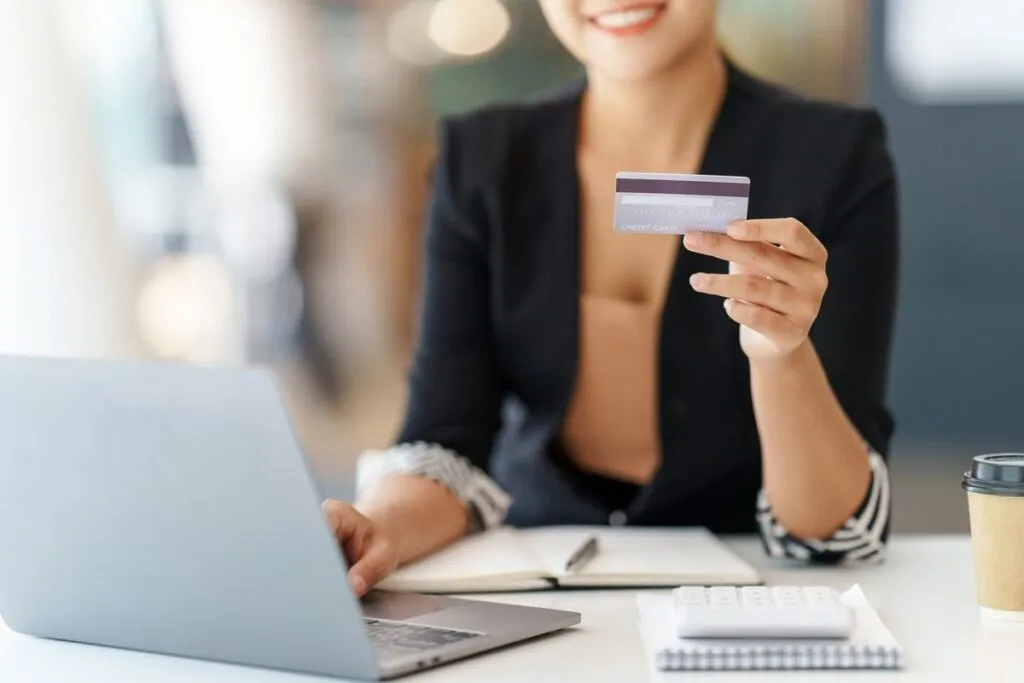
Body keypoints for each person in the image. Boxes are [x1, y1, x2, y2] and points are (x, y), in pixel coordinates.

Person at [323, 0, 899, 597]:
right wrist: (376, 526)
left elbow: (833, 533)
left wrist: (781, 353)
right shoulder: (482, 161)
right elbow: (445, 443)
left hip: (752, 601)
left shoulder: (836, 157)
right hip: (539, 597)